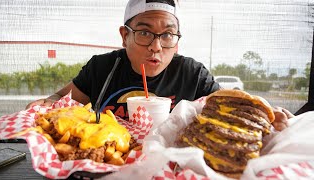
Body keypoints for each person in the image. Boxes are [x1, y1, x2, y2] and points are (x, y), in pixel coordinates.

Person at [26, 0, 293, 131]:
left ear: (176, 42)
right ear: (124, 35)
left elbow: (229, 107)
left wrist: (265, 113)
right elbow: (61, 98)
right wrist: (46, 103)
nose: (156, 46)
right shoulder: (102, 67)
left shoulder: (191, 73)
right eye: (144, 33)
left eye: (167, 35)